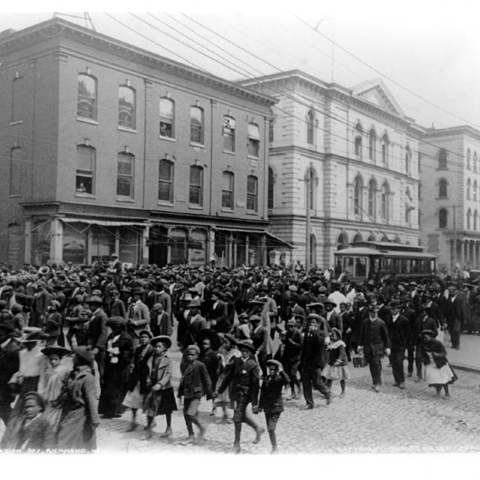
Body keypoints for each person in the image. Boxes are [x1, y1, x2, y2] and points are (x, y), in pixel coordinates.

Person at [215, 340, 264, 454]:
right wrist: (220, 390)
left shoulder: (253, 365)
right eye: (242, 351)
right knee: (241, 416)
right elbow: (228, 377)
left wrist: (255, 403)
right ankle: (258, 428)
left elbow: (255, 385)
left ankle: (236, 444)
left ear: (251, 353)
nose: (244, 353)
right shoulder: (236, 361)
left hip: (245, 395)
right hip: (235, 393)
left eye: (246, 352)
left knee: (237, 417)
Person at [56, 346, 100, 451]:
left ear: (80, 358)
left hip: (80, 413)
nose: (72, 358)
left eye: (75, 355)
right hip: (68, 410)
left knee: (66, 438)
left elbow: (90, 399)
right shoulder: (72, 374)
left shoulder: (87, 377)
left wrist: (95, 419)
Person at [142, 335, 177, 439]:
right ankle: (149, 429)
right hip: (152, 386)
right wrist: (147, 378)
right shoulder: (151, 358)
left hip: (164, 388)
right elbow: (147, 370)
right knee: (149, 408)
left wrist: (160, 384)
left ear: (164, 348)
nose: (156, 349)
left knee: (167, 410)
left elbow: (168, 374)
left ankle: (168, 428)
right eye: (155, 346)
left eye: (159, 346)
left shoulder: (167, 360)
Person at [177, 344, 213, 445]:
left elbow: (207, 379)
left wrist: (210, 393)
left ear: (197, 356)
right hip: (187, 393)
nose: (190, 356)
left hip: (196, 393)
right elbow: (183, 380)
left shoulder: (200, 365)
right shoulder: (184, 365)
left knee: (190, 413)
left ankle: (202, 427)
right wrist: (180, 393)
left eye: (192, 355)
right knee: (186, 414)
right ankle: (191, 435)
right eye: (188, 354)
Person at [99, 317, 134, 419]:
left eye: (115, 328)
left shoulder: (126, 338)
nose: (113, 330)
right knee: (109, 387)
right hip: (111, 365)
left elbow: (130, 352)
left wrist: (119, 354)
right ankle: (107, 409)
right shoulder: (112, 336)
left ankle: (115, 410)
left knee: (117, 389)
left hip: (120, 367)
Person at [123, 329, 153, 432]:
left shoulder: (152, 350)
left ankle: (150, 422)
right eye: (142, 337)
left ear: (149, 339)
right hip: (137, 377)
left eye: (145, 337)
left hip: (146, 378)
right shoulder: (138, 349)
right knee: (133, 400)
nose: (143, 339)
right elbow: (135, 362)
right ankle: (134, 421)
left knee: (147, 401)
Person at [257, 359, 289, 454]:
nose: (271, 372)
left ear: (276, 371)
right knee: (269, 429)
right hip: (267, 408)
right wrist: (260, 406)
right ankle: (273, 446)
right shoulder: (266, 379)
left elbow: (287, 380)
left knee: (271, 428)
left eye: (273, 370)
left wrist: (281, 370)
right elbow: (262, 393)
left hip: (276, 407)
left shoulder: (279, 379)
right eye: (270, 370)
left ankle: (275, 448)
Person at [299, 314, 331, 409]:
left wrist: (315, 331)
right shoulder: (306, 334)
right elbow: (304, 349)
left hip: (316, 363)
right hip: (307, 363)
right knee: (306, 383)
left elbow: (321, 344)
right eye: (309, 322)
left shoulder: (321, 333)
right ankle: (309, 403)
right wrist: (302, 362)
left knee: (317, 383)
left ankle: (327, 392)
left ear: (317, 324)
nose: (311, 324)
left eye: (313, 322)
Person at [358, 303, 391, 392]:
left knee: (377, 364)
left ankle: (377, 383)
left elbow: (386, 336)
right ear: (369, 313)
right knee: (371, 364)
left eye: (376, 312)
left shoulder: (381, 322)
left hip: (378, 347)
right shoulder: (365, 322)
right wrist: (359, 345)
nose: (374, 313)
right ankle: (375, 381)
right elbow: (361, 335)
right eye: (373, 312)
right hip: (368, 347)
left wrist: (388, 347)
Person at [38, 345, 71, 433]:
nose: (53, 361)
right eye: (51, 359)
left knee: (55, 421)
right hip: (49, 398)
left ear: (60, 360)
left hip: (58, 398)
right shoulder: (48, 371)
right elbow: (46, 385)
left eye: (55, 359)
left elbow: (66, 386)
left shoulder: (64, 371)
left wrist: (61, 398)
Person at [420, 329, 458, 397]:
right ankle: (438, 390)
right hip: (430, 363)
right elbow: (423, 352)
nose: (424, 339)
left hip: (440, 363)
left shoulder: (437, 343)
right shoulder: (424, 344)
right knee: (433, 379)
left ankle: (447, 393)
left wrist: (437, 355)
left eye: (426, 337)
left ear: (430, 336)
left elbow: (444, 352)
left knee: (443, 379)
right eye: (423, 337)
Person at [214, 333, 240, 424]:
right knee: (219, 396)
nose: (224, 345)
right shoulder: (222, 350)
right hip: (221, 377)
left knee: (228, 398)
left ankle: (230, 416)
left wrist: (222, 359)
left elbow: (230, 368)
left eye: (226, 342)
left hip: (230, 379)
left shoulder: (236, 353)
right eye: (223, 342)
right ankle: (219, 415)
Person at [387, 299, 410, 389]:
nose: (391, 310)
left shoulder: (404, 320)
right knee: (393, 362)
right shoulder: (388, 318)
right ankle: (396, 379)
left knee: (399, 361)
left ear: (398, 309)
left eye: (393, 309)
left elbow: (408, 333)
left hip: (400, 345)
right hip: (391, 344)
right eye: (391, 309)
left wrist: (405, 344)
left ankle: (402, 380)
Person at [0, 323, 20, 426]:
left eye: (1, 334)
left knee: (5, 412)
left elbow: (12, 371)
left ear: (8, 335)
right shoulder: (4, 346)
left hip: (6, 388)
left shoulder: (13, 350)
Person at [322, 328, 349, 398]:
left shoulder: (340, 343)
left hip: (340, 363)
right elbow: (329, 351)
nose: (332, 336)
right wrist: (326, 346)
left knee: (342, 377)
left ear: (338, 335)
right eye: (331, 335)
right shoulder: (331, 343)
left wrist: (338, 360)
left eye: (333, 335)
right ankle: (328, 391)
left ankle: (343, 391)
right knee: (329, 377)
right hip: (332, 361)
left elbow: (342, 353)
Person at [283, 318, 303, 399]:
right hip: (288, 357)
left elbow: (301, 346)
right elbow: (287, 345)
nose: (290, 328)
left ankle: (299, 388)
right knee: (288, 375)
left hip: (296, 357)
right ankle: (292, 392)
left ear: (294, 326)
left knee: (293, 374)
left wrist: (293, 343)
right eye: (288, 326)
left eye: (291, 326)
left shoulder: (298, 333)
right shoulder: (288, 333)